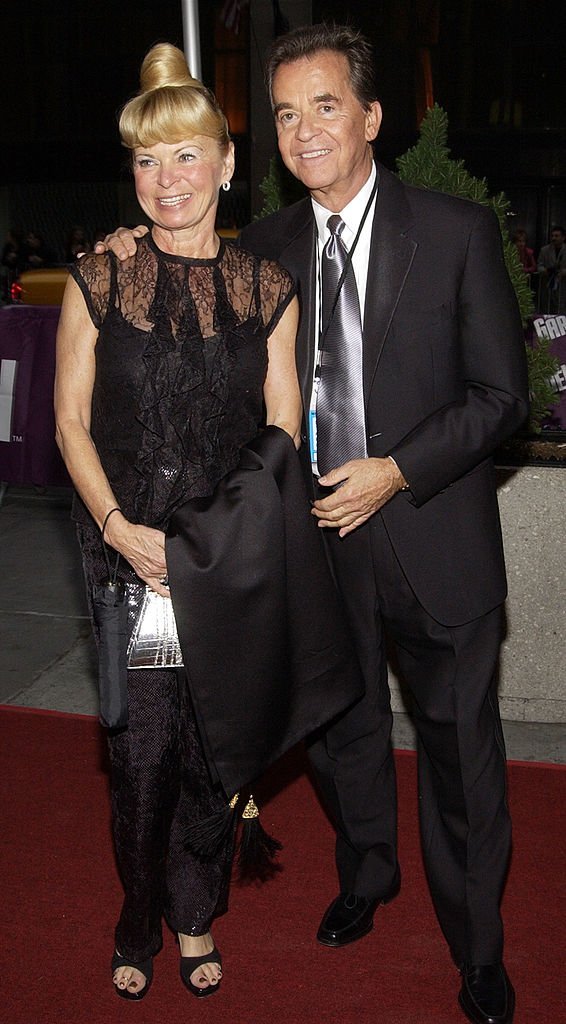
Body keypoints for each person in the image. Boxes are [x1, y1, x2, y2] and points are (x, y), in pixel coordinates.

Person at [98, 24, 529, 1024]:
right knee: (338, 735)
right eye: (284, 114)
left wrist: (395, 469)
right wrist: (120, 246)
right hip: (312, 546)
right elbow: (179, 278)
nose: (302, 130)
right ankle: (366, 874)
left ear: (370, 117)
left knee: (459, 755)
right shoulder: (265, 248)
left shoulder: (455, 232)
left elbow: (499, 396)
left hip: (431, 537)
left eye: (323, 105)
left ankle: (477, 949)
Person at [55, 41, 362, 1003]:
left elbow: (279, 427)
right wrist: (117, 527)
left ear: (229, 164)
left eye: (186, 155)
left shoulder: (268, 290)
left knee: (210, 750)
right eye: (148, 160)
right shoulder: (98, 279)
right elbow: (67, 419)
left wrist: (213, 541)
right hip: (124, 559)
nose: (166, 179)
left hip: (223, 564)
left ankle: (193, 916)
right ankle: (136, 911)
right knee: (136, 760)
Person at [537, 225, 566, 313]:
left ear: (563, 237)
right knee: (547, 309)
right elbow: (539, 266)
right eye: (552, 236)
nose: (554, 238)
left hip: (563, 285)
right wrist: (545, 271)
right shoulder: (544, 250)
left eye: (557, 236)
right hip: (548, 285)